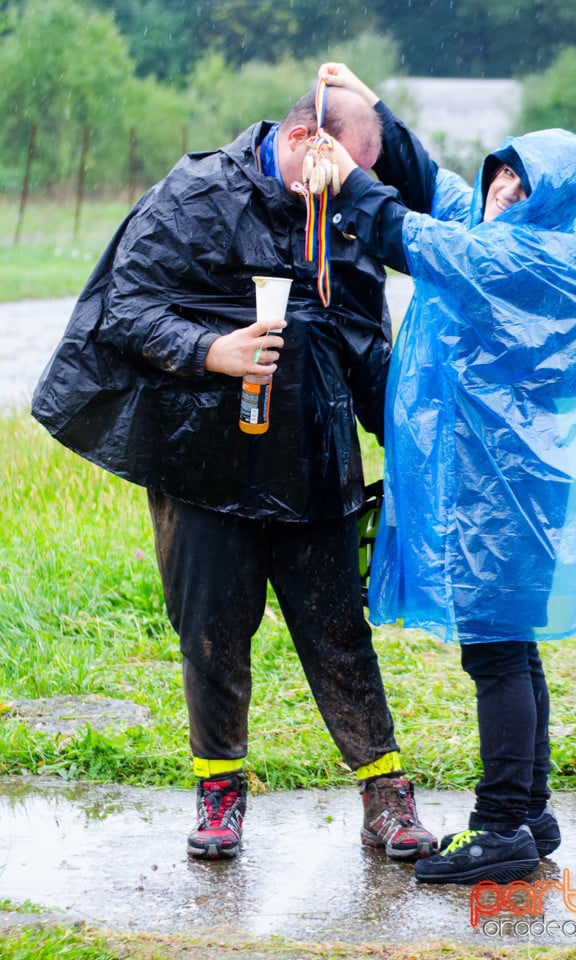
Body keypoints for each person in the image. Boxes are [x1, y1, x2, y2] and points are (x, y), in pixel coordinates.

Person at [31, 83, 442, 862]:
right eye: (347, 169)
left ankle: (386, 795)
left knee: (338, 635)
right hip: (203, 464)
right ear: (304, 141)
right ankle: (220, 794)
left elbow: (365, 346)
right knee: (212, 634)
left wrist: (421, 454)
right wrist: (210, 350)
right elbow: (125, 307)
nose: (352, 188)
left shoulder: (344, 214)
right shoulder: (195, 194)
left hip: (315, 463)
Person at [320, 63, 576, 884]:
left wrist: (347, 171)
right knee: (512, 648)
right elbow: (434, 188)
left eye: (515, 182)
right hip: (527, 490)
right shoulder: (547, 248)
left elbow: (404, 232)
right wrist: (374, 108)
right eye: (498, 174)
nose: (497, 189)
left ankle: (500, 826)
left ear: (547, 197)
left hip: (504, 498)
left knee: (494, 653)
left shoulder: (516, 262)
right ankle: (530, 813)